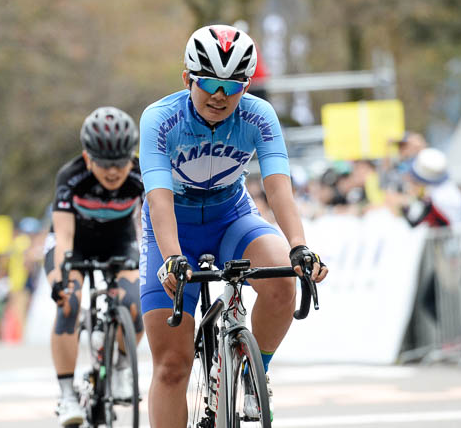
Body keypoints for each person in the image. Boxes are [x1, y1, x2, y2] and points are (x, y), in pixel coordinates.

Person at [139, 24, 328, 427]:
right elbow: (158, 198)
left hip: (231, 217)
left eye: (234, 85)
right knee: (172, 366)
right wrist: (172, 256)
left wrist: (299, 245)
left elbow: (278, 187)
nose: (221, 96)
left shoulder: (259, 116)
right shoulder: (160, 118)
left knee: (282, 279)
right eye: (208, 82)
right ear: (187, 77)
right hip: (174, 228)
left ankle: (247, 373)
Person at [44, 107, 144, 426]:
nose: (113, 172)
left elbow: (153, 223)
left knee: (134, 302)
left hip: (119, 242)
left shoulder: (143, 174)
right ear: (88, 159)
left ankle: (120, 368)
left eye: (120, 163)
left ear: (132, 156)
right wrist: (61, 277)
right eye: (104, 163)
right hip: (76, 243)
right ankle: (67, 396)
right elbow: (63, 235)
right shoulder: (71, 176)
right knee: (69, 301)